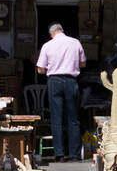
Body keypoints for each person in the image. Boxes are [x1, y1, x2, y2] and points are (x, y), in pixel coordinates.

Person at [36, 22, 86, 162]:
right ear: (62, 30)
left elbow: (40, 69)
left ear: (52, 34)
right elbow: (83, 63)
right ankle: (74, 155)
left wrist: (50, 67)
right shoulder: (75, 43)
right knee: (73, 119)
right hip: (71, 81)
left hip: (54, 82)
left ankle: (59, 154)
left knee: (56, 118)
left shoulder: (47, 45)